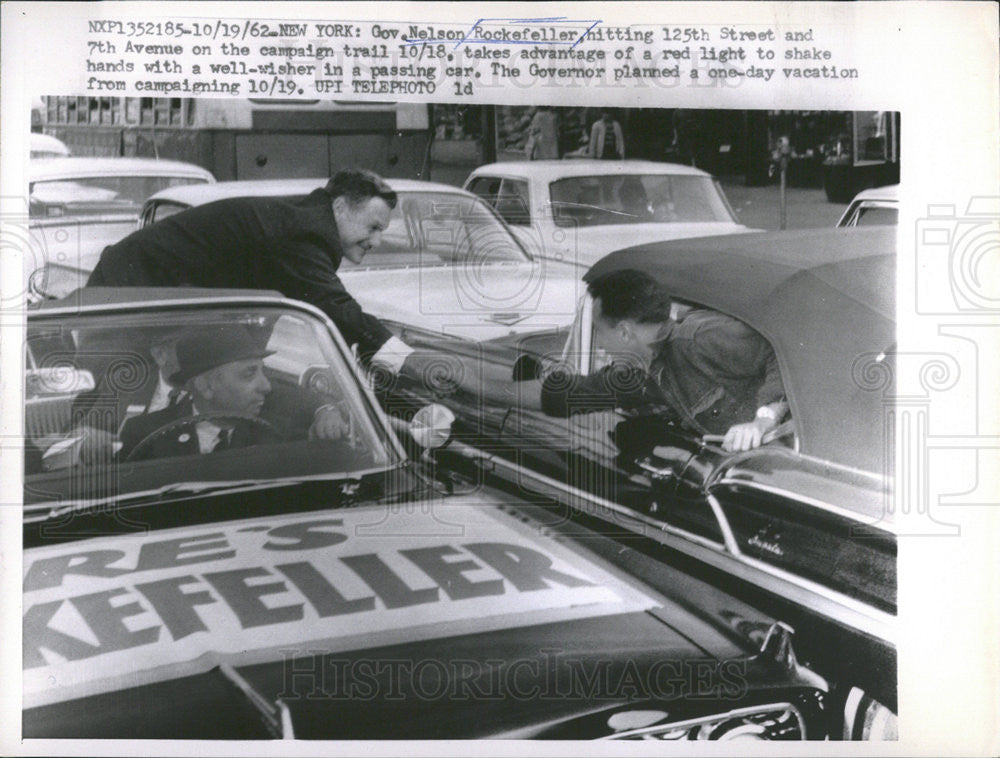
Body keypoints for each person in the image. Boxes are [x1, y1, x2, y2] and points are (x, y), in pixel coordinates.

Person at [87, 169, 413, 372]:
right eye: (372, 227)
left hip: (154, 297)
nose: (378, 240)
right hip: (127, 294)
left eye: (382, 230)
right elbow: (332, 303)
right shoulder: (306, 231)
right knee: (100, 420)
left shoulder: (304, 221)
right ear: (340, 207)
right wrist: (403, 357)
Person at [541, 269, 788, 453]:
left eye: (600, 332)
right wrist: (506, 390)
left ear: (625, 332)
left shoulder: (699, 338)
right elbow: (570, 394)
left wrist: (763, 420)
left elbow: (781, 349)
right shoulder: (646, 368)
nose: (600, 345)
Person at [119, 325, 346, 460]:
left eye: (262, 371)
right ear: (206, 387)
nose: (266, 386)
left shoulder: (282, 430)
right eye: (248, 374)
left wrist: (326, 412)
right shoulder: (143, 435)